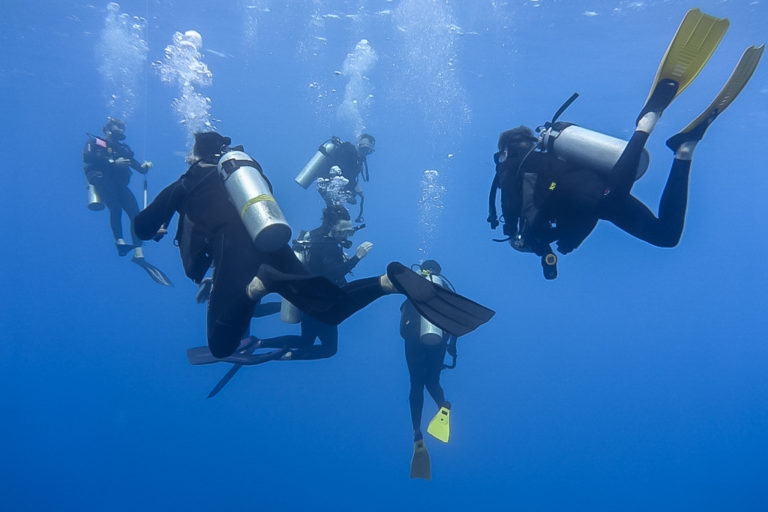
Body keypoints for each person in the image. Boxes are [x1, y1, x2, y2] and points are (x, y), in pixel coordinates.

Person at [136, 131, 493, 361]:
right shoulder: (247, 173)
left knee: (221, 345)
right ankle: (388, 282)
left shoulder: (186, 182)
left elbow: (141, 227)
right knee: (331, 310)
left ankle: (259, 287)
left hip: (238, 257)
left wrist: (164, 217)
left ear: (195, 154)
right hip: (274, 244)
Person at [487, 9, 762, 279]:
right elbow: (582, 211)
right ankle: (684, 149)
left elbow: (521, 205)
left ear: (505, 150)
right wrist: (562, 240)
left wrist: (517, 232)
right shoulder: (543, 160)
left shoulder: (511, 167)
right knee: (666, 236)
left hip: (594, 194)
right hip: (597, 196)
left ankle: (647, 122)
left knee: (613, 200)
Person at [254, 205, 373, 361]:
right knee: (329, 349)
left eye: (349, 232)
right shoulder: (329, 247)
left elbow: (323, 266)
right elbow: (333, 273)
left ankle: (258, 344)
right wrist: (357, 257)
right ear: (332, 227)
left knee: (305, 341)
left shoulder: (319, 237)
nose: (346, 236)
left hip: (309, 299)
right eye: (343, 232)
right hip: (322, 304)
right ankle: (269, 353)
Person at [83, 117, 171, 286]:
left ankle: (138, 253)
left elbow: (135, 165)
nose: (121, 130)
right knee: (115, 208)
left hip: (119, 184)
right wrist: (112, 162)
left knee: (135, 215)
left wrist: (143, 168)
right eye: (118, 127)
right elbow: (88, 156)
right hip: (103, 180)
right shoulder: (96, 142)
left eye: (122, 128)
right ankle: (120, 242)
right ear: (108, 129)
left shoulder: (123, 149)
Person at [400, 260, 457, 481]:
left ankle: (417, 432)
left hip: (414, 336)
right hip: (439, 339)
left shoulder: (414, 286)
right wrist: (451, 346)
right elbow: (454, 320)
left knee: (416, 383)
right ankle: (443, 405)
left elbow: (403, 323)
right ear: (439, 272)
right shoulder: (445, 288)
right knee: (432, 381)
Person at [299, 134, 375, 222]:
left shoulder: (357, 159)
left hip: (332, 186)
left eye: (369, 151)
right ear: (358, 144)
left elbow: (348, 178)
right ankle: (324, 228)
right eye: (364, 149)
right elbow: (343, 171)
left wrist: (351, 194)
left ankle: (326, 227)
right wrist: (355, 185)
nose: (365, 153)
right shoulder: (347, 150)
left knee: (338, 218)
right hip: (326, 183)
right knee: (339, 217)